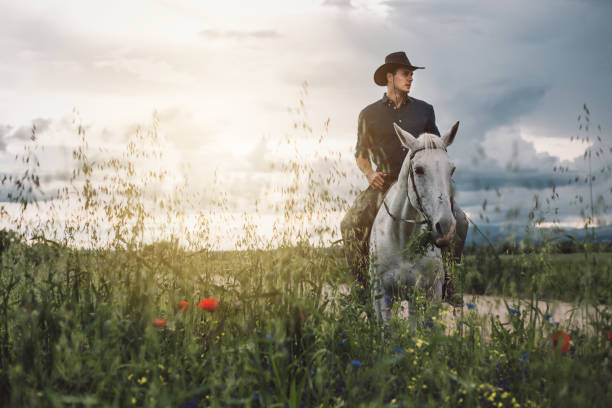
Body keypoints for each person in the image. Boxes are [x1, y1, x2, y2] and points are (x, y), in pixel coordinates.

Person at [340, 51, 467, 306]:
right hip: (385, 182)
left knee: (461, 220)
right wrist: (369, 174)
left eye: (411, 74)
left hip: (421, 182)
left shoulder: (425, 110)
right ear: (390, 76)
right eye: (406, 74)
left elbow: (438, 147)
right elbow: (361, 154)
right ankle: (363, 287)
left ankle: (450, 281)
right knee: (350, 224)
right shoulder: (368, 114)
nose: (410, 78)